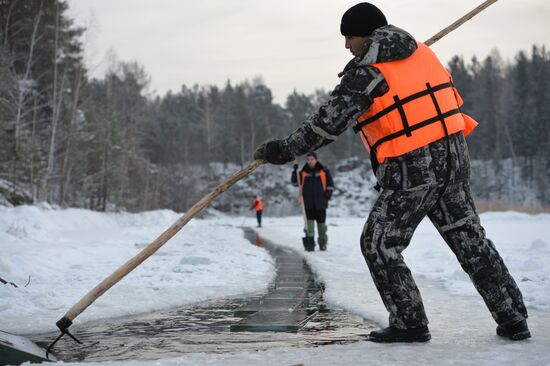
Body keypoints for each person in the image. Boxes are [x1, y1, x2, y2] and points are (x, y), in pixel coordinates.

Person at [254, 2, 529, 343]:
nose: (346, 45)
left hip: (413, 170)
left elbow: (325, 126)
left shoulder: (366, 74)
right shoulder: (422, 53)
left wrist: (280, 151)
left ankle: (409, 322)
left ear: (366, 35)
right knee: (470, 240)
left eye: (349, 37)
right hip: (454, 161)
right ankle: (513, 317)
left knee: (378, 242)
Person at [291, 152, 334, 251]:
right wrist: (295, 171)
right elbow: (294, 183)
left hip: (321, 204)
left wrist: (327, 196)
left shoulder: (324, 171)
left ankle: (322, 244)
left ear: (316, 160)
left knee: (322, 227)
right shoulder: (303, 172)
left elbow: (330, 184)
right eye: (308, 159)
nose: (310, 161)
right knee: (309, 227)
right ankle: (310, 244)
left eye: (312, 159)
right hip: (308, 204)